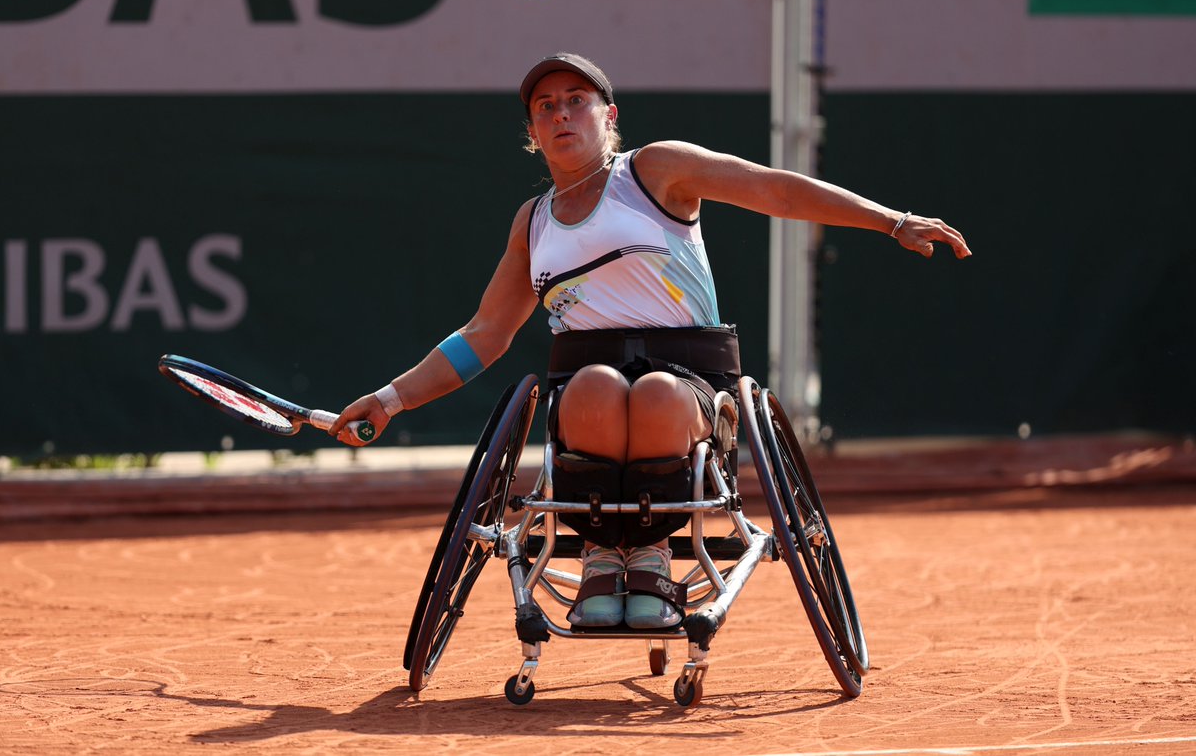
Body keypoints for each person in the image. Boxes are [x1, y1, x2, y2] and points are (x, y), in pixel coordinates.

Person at [329, 52, 971, 629]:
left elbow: (772, 189)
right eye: (545, 107)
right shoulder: (532, 223)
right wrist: (389, 399)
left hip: (689, 383)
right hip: (586, 389)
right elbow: (485, 333)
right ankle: (605, 554)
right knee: (594, 388)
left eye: (576, 101)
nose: (560, 114)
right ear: (532, 134)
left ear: (609, 117)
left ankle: (654, 554)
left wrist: (890, 221)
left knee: (656, 391)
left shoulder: (656, 171)